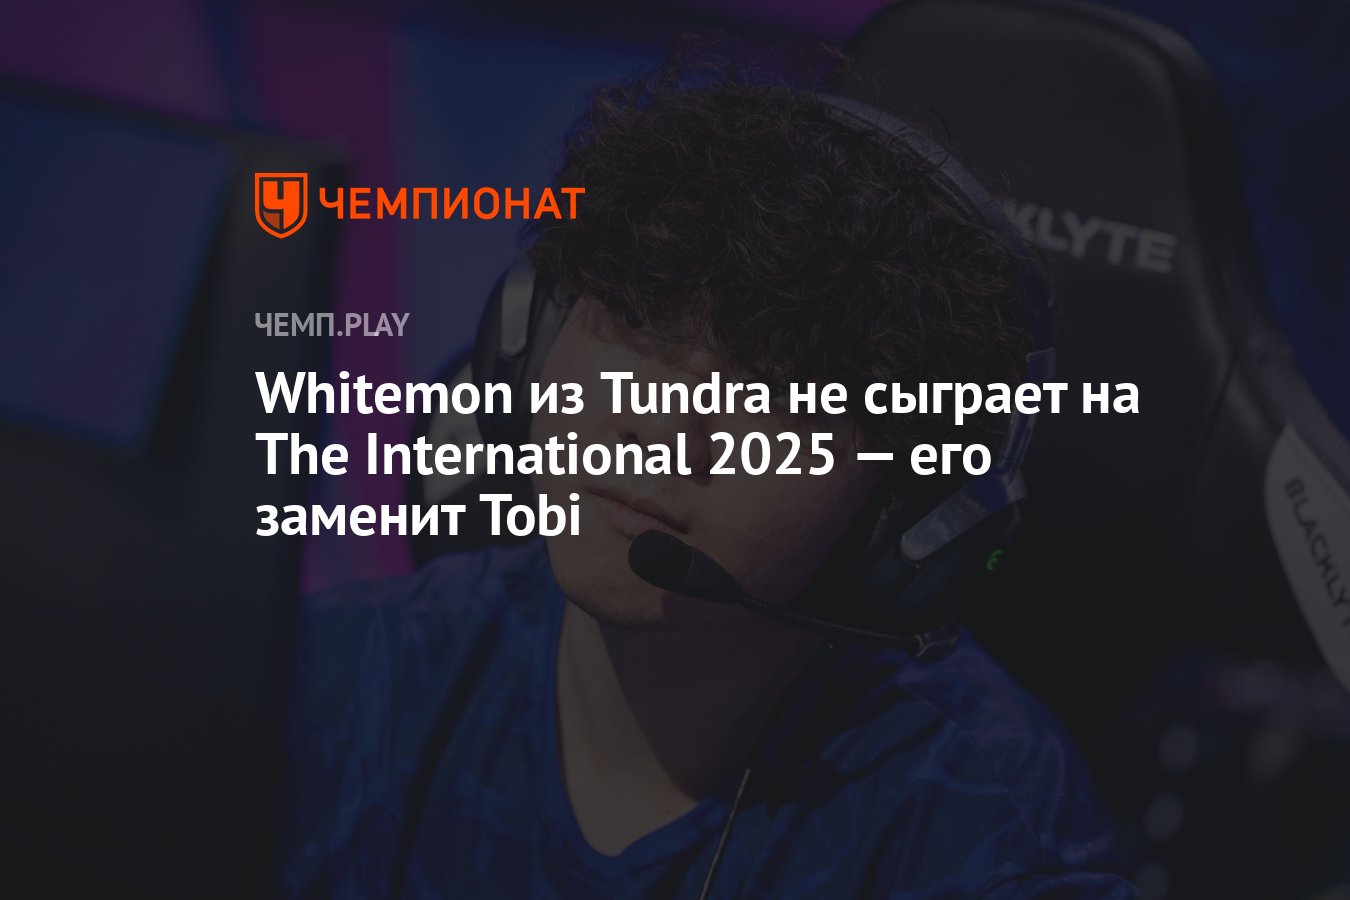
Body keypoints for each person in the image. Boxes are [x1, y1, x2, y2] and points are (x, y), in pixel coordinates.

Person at [282, 59, 1134, 899]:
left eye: (775, 388)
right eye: (635, 320)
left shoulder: (987, 832)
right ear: (527, 343)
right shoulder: (330, 681)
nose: (658, 432)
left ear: (903, 511)